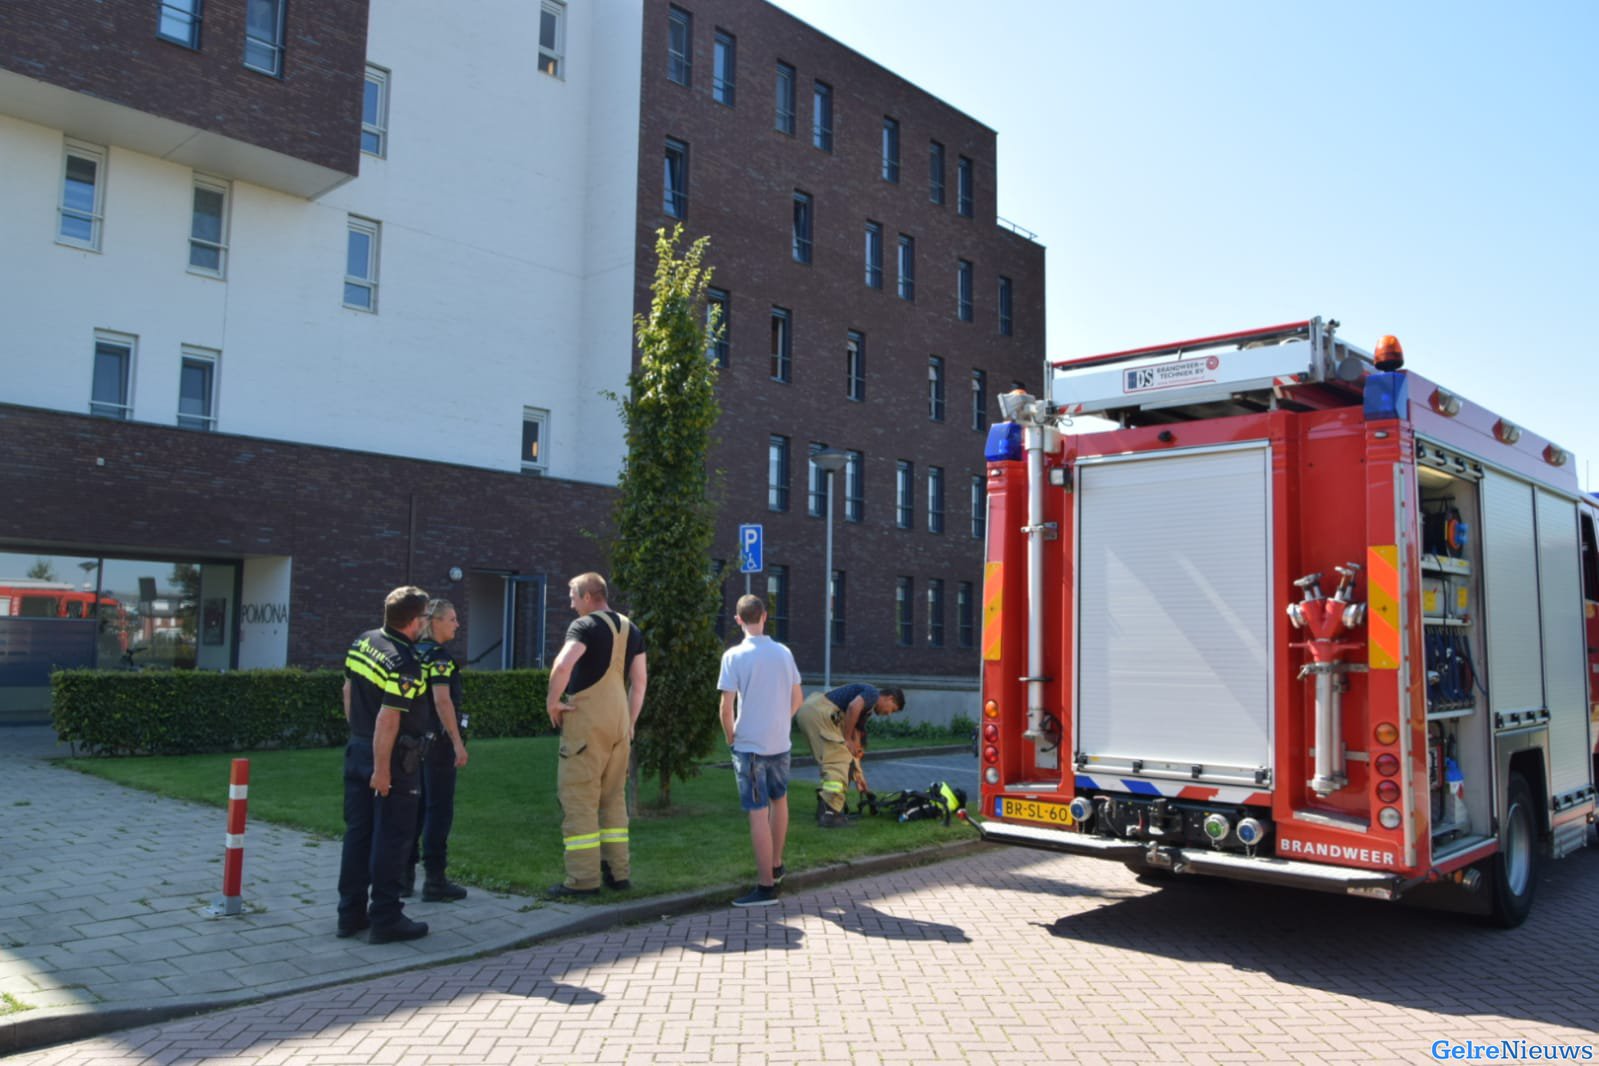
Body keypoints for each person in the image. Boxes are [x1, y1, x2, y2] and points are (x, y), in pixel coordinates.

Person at [337, 585, 431, 943]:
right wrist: (383, 769)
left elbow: (348, 692)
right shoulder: (404, 662)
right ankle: (386, 917)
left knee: (357, 835)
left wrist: (359, 739)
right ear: (413, 620)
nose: (425, 623)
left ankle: (350, 914)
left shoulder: (363, 642)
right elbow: (389, 719)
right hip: (390, 757)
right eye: (424, 616)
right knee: (392, 837)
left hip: (358, 748)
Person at [544, 572, 647, 898]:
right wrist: (630, 721)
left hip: (587, 721)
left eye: (573, 595)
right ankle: (619, 874)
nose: (571, 602)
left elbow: (563, 665)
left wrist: (552, 702)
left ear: (589, 596)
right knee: (613, 799)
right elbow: (640, 682)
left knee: (579, 797)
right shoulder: (631, 629)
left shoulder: (584, 626)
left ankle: (583, 880)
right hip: (619, 722)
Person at [717, 594, 804, 908]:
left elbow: (726, 708)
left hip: (750, 745)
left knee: (757, 811)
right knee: (779, 801)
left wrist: (731, 738)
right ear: (765, 616)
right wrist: (782, 720)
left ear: (739, 620)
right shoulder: (783, 653)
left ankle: (766, 886)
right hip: (780, 743)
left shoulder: (734, 656)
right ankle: (776, 864)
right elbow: (798, 698)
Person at [405, 598, 469, 903]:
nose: (457, 624)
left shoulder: (412, 653)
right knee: (438, 810)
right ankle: (435, 879)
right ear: (437, 622)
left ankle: (403, 876)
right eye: (453, 619)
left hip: (411, 744)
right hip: (437, 745)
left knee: (412, 811)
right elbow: (442, 701)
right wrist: (457, 741)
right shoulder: (439, 659)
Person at [794, 682, 906, 827]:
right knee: (838, 762)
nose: (888, 714)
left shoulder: (865, 712)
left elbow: (854, 750)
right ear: (889, 698)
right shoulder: (872, 694)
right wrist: (846, 738)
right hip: (819, 713)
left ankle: (825, 808)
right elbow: (853, 707)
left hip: (812, 712)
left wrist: (859, 777)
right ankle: (831, 815)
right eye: (892, 710)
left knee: (836, 762)